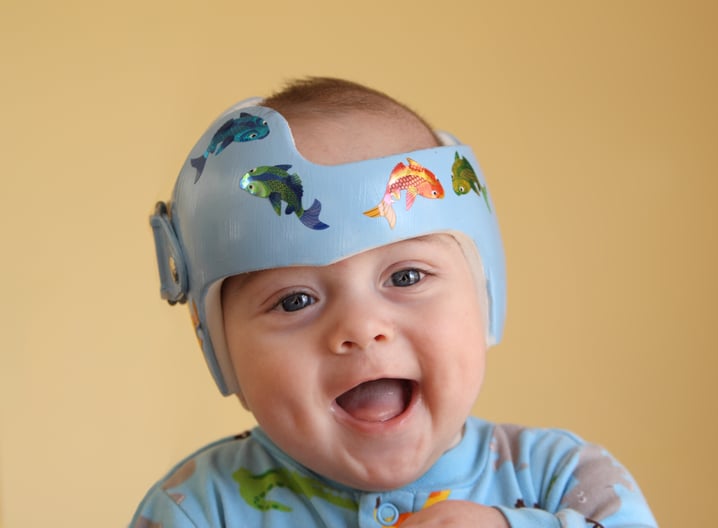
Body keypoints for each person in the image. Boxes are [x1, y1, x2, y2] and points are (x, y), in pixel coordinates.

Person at [135, 77, 656, 528]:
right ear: (223, 355)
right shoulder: (198, 509)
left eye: (406, 276)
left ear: (483, 295)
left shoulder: (561, 475)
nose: (361, 327)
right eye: (294, 300)